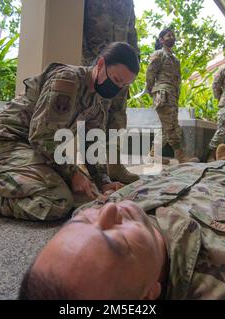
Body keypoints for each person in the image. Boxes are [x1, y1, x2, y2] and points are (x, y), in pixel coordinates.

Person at [19, 145, 225, 300]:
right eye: (117, 240)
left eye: (82, 221)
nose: (107, 212)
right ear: (148, 295)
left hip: (191, 173)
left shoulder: (115, 212)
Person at [0, 42, 140, 221]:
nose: (117, 88)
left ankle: (15, 183)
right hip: (0, 142)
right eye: (116, 79)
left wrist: (104, 182)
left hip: (32, 149)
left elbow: (93, 146)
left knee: (82, 192)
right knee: (56, 201)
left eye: (123, 85)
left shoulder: (97, 103)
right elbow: (43, 135)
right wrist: (73, 173)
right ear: (100, 64)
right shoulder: (68, 79)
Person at [81, 0, 140, 184]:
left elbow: (131, 29)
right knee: (96, 116)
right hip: (100, 64)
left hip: (122, 67)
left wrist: (135, 59)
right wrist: (88, 58)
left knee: (118, 116)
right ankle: (91, 164)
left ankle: (114, 164)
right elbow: (79, 24)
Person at [146, 28, 199, 164]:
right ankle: (180, 156)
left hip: (173, 95)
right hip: (163, 93)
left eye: (173, 35)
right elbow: (150, 74)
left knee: (166, 127)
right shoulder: (158, 54)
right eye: (168, 35)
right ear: (161, 40)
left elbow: (177, 80)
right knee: (172, 126)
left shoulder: (175, 60)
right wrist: (153, 91)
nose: (171, 37)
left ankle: (153, 156)